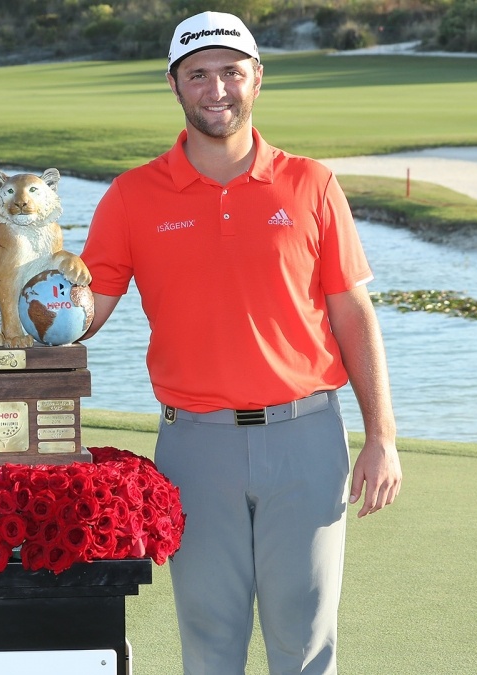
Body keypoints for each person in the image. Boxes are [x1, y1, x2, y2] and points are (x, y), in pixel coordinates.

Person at [79, 12, 403, 674]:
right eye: (198, 74)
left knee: (305, 645)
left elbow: (353, 316)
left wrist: (383, 436)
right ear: (174, 85)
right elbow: (85, 313)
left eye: (230, 71)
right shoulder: (131, 196)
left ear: (257, 77)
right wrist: (17, 295)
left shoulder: (311, 184)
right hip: (195, 446)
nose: (216, 88)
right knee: (209, 644)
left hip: (306, 436)